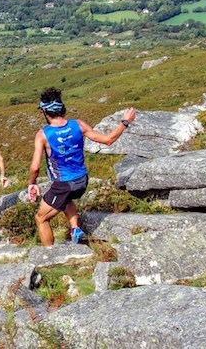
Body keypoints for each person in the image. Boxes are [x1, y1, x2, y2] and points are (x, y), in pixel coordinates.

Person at [28, 87, 136, 246]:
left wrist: (32, 183)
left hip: (64, 184)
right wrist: (125, 122)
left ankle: (49, 256)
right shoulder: (78, 125)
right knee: (67, 199)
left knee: (41, 218)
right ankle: (75, 229)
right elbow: (108, 140)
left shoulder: (43, 135)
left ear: (45, 111)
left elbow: (35, 167)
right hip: (82, 180)